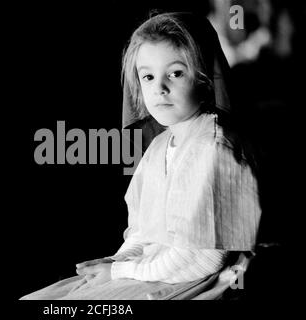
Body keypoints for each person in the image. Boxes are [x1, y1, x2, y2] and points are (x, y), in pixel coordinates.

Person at [19, 12, 262, 300]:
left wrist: (122, 273)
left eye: (175, 73)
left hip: (197, 280)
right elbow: (143, 234)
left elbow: (204, 259)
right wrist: (116, 262)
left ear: (205, 79)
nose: (159, 88)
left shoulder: (215, 149)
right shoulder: (159, 146)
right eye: (148, 76)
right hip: (155, 271)